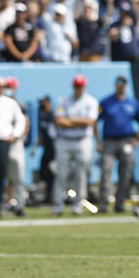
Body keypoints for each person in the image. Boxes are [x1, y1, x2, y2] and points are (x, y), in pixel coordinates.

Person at [96, 76, 139, 214]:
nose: (121, 87)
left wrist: (137, 139)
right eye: (119, 84)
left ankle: (120, 203)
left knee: (126, 173)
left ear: (126, 86)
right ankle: (104, 204)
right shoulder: (106, 102)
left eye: (123, 84)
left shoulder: (133, 103)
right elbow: (95, 121)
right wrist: (98, 141)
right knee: (106, 171)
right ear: (115, 85)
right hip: (109, 141)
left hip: (127, 140)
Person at [52, 74, 99, 216]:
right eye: (76, 86)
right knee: (61, 173)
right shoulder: (64, 100)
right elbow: (59, 121)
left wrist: (71, 120)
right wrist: (79, 121)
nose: (78, 89)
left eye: (81, 86)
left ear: (84, 87)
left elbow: (90, 121)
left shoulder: (91, 101)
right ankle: (58, 206)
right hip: (65, 140)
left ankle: (77, 206)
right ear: (74, 87)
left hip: (82, 140)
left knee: (81, 174)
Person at [0, 77, 26, 218]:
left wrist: (15, 134)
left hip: (2, 142)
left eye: (1, 86)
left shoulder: (10, 103)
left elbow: (21, 121)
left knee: (1, 176)